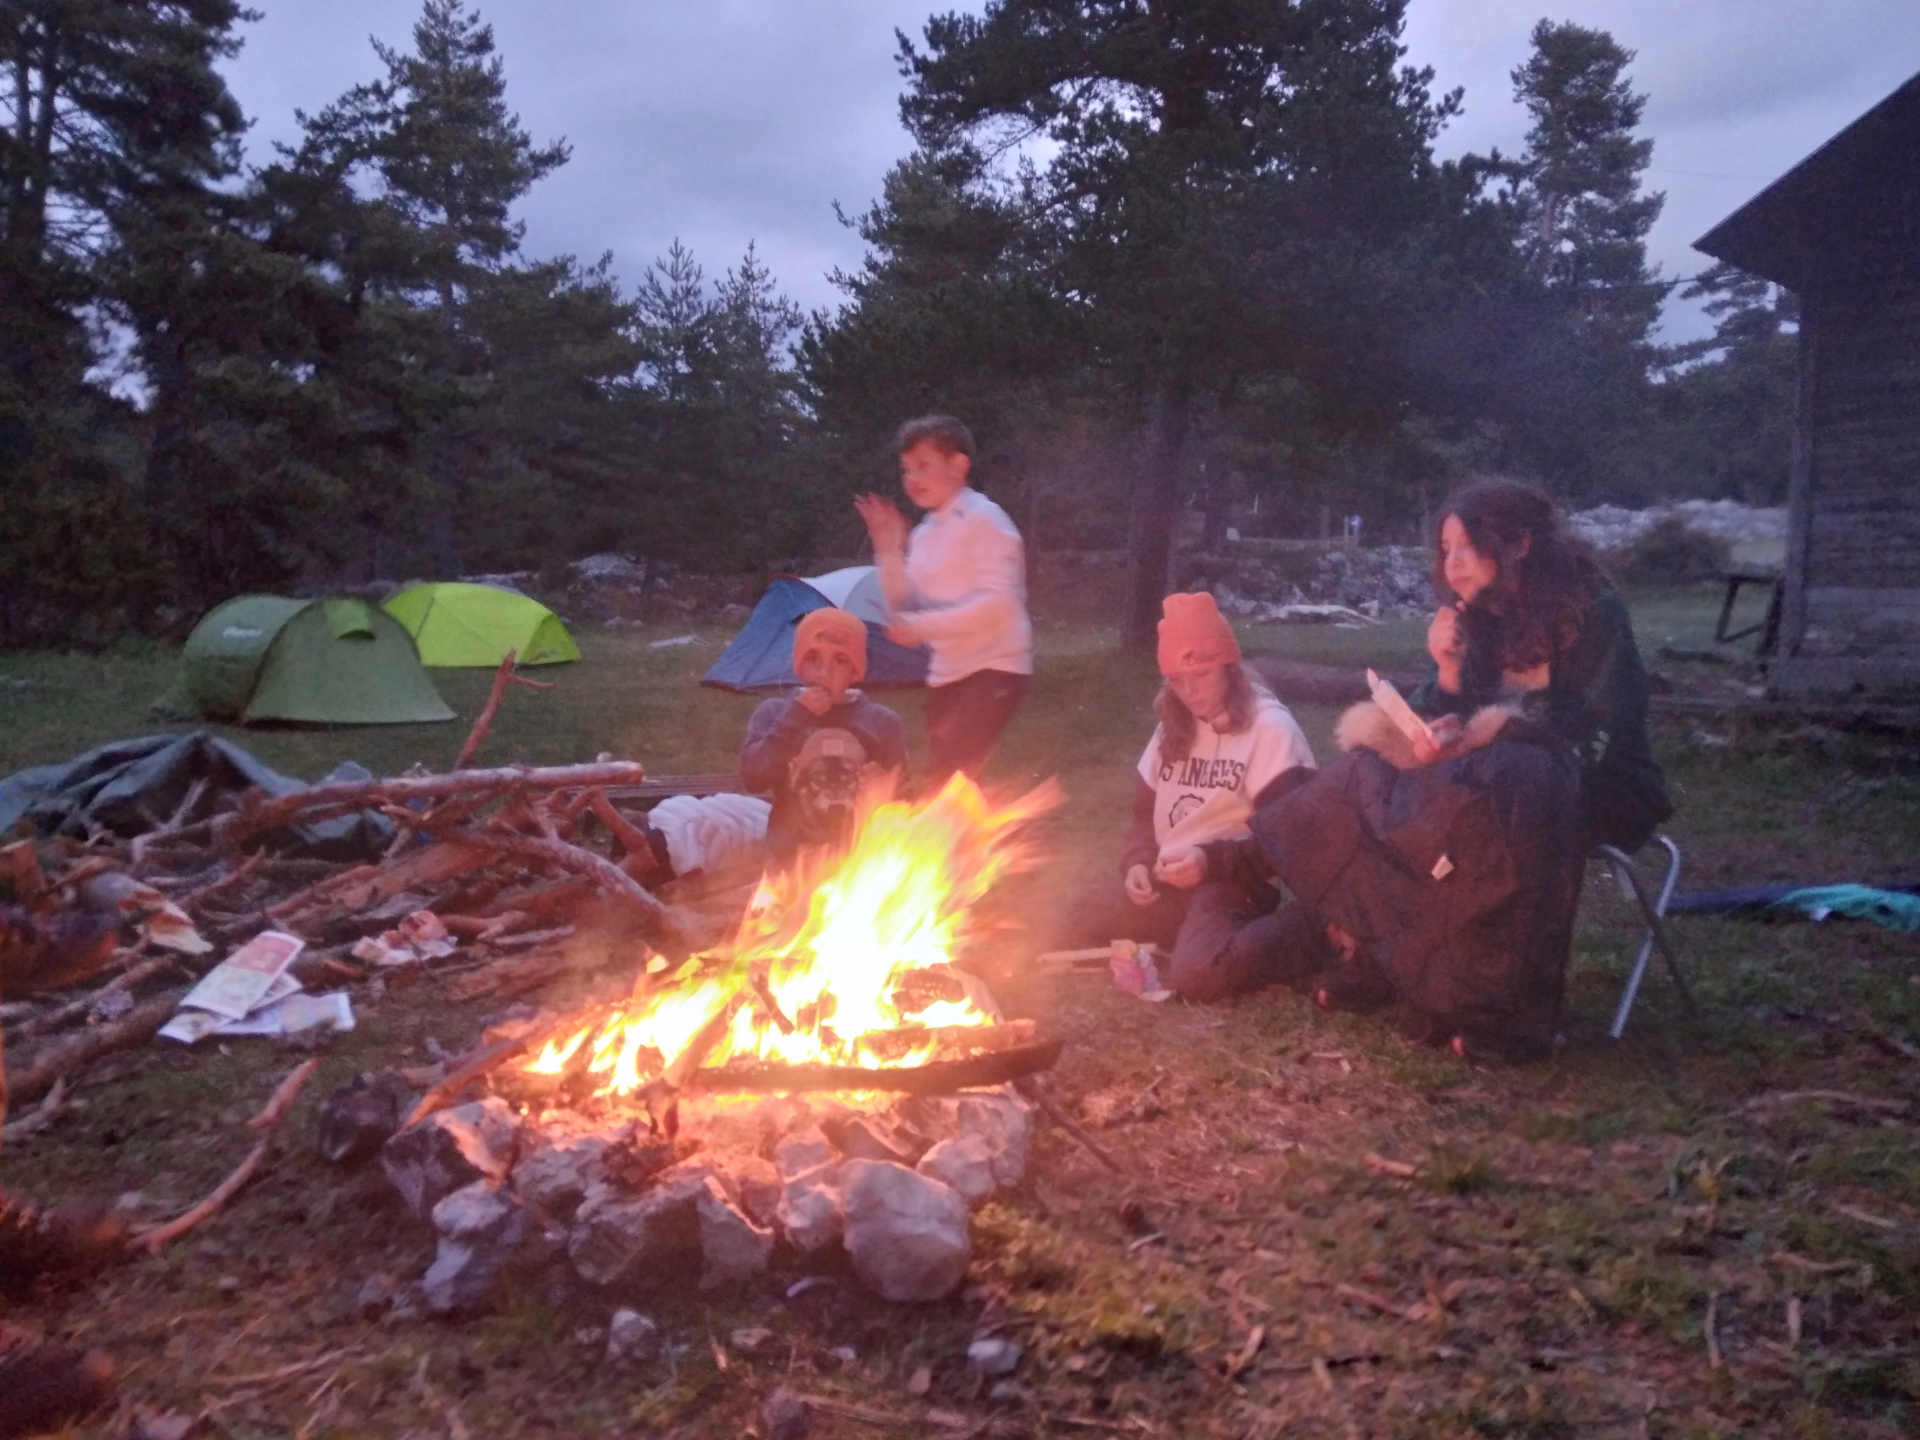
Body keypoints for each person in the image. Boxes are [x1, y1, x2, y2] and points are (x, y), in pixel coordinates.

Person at [1179, 478, 1671, 1062]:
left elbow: (1598, 732)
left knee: (1512, 782)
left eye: (1466, 547)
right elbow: (1435, 717)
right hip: (1492, 780)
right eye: (1445, 550)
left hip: (1592, 787)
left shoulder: (1591, 612)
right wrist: (1448, 673)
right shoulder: (1478, 617)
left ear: (1519, 544)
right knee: (1371, 772)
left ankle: (1507, 1013)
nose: (1453, 565)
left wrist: (1481, 744)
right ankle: (1375, 953)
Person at [1058, 592, 1321, 1002]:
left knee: (1199, 976)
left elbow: (1290, 842)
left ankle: (1307, 932)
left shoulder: (1270, 729)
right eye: (1177, 680)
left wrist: (1210, 861)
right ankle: (1190, 936)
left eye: (1201, 675)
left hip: (1233, 883)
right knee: (1070, 922)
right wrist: (1138, 862)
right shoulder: (1173, 725)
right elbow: (1144, 817)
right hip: (1170, 886)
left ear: (1228, 667)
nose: (1190, 692)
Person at [854, 416, 1033, 790]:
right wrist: (888, 549)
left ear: (958, 465)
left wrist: (921, 627)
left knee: (949, 778)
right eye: (906, 469)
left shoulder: (984, 519)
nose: (912, 478)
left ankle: (955, 846)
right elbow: (906, 605)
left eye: (924, 465)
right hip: (946, 672)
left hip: (994, 666)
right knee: (950, 779)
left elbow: (999, 605)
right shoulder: (925, 534)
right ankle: (969, 846)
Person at [737, 606, 909, 864]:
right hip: (789, 864)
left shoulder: (882, 722)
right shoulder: (775, 713)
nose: (823, 672)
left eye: (839, 661)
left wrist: (884, 787)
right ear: (799, 665)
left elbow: (905, 805)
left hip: (858, 869)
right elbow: (752, 778)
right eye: (813, 658)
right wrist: (795, 718)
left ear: (855, 671)